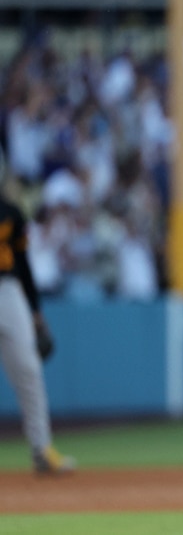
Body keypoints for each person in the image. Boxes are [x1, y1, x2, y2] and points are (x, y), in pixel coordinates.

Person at [0, 193, 75, 475]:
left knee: (28, 368)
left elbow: (22, 260)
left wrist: (35, 310)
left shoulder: (10, 210)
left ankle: (41, 449)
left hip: (7, 289)